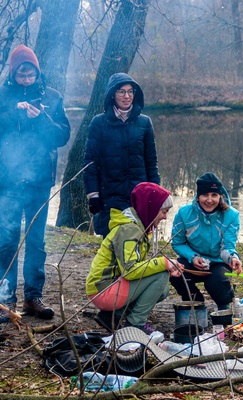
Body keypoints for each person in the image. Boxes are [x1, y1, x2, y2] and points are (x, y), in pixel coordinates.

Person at [0, 45, 70, 323]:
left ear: (37, 72)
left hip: (39, 181)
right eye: (21, 75)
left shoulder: (52, 98)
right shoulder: (2, 96)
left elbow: (62, 135)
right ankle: (6, 298)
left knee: (37, 241)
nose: (26, 79)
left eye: (31, 75)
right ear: (13, 73)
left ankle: (33, 297)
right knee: (6, 239)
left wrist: (41, 118)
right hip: (7, 181)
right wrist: (13, 115)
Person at [86, 182, 184, 333]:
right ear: (150, 209)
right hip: (103, 290)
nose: (165, 217)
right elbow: (130, 271)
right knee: (161, 275)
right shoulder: (130, 231)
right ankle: (135, 324)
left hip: (109, 286)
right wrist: (163, 263)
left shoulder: (137, 227)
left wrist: (166, 265)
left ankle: (113, 315)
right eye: (164, 211)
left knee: (162, 289)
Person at [83, 73, 160, 238]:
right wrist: (93, 195)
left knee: (137, 246)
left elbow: (151, 163)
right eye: (121, 92)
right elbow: (90, 163)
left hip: (139, 196)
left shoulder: (145, 123)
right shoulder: (99, 123)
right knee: (111, 247)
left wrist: (156, 194)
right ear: (112, 94)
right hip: (109, 196)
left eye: (130, 92)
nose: (127, 96)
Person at [169, 172, 242, 311]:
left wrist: (232, 258)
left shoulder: (232, 215)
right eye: (205, 195)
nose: (209, 200)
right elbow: (177, 243)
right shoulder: (184, 213)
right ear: (198, 196)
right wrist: (193, 257)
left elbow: (227, 246)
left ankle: (224, 305)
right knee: (176, 273)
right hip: (192, 260)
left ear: (220, 196)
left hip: (218, 261)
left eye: (214, 195)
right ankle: (195, 303)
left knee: (218, 282)